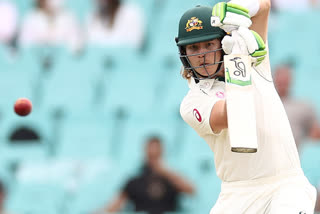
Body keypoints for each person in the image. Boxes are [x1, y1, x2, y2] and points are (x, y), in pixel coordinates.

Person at [176, 1, 317, 214]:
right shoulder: (192, 102)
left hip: (286, 184)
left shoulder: (256, 61)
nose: (202, 54)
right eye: (194, 47)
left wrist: (241, 8)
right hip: (237, 194)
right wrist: (238, 62)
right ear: (183, 52)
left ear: (222, 43)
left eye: (208, 44)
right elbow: (234, 114)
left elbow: (265, 6)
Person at [94, 136, 194, 214]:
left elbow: (191, 190)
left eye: (156, 154)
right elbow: (115, 205)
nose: (153, 158)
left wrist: (165, 171)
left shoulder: (172, 179)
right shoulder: (135, 181)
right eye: (151, 155)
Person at [274, 63, 320, 151]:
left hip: (291, 160)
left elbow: (315, 133)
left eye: (285, 78)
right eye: (279, 77)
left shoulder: (303, 107)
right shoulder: (263, 105)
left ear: (291, 80)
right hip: (265, 158)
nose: (282, 81)